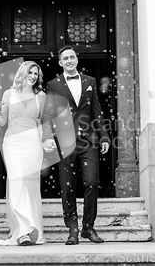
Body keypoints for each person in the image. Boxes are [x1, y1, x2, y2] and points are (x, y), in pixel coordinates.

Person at [42, 46, 110, 245]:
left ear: (77, 60)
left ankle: (88, 228)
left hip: (89, 141)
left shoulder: (90, 82)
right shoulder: (53, 84)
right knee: (67, 187)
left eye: (72, 57)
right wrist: (47, 137)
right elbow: (48, 113)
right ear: (60, 63)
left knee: (91, 182)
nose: (69, 60)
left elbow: (97, 112)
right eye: (65, 58)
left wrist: (104, 137)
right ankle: (72, 229)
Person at [0, 61, 45, 246]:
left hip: (32, 143)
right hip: (12, 143)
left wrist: (46, 140)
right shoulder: (9, 93)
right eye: (30, 72)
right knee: (16, 181)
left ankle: (31, 230)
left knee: (30, 185)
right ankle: (23, 231)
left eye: (36, 74)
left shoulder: (41, 96)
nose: (33, 76)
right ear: (22, 73)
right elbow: (2, 120)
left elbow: (41, 122)